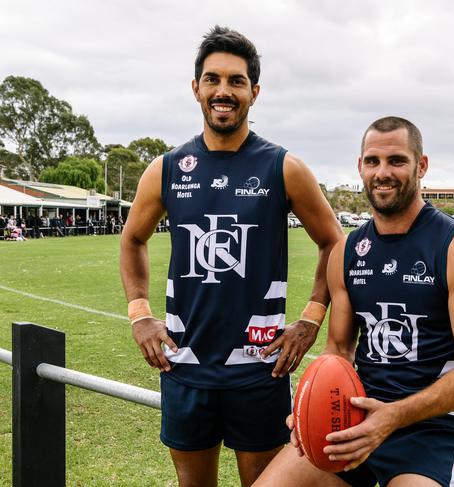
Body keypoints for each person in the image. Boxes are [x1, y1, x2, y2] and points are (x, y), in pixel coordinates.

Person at [119, 26, 342, 487]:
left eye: (237, 81)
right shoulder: (167, 168)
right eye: (213, 79)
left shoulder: (283, 167)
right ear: (196, 87)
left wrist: (311, 319)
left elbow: (334, 242)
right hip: (186, 365)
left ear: (254, 92)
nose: (224, 91)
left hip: (258, 369)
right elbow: (132, 238)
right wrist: (140, 314)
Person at [255, 117, 454, 487]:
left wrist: (393, 416)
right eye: (372, 161)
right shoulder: (347, 251)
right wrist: (312, 409)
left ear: (421, 166)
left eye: (396, 161)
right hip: (353, 417)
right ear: (360, 167)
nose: (382, 172)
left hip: (431, 429)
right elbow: (338, 348)